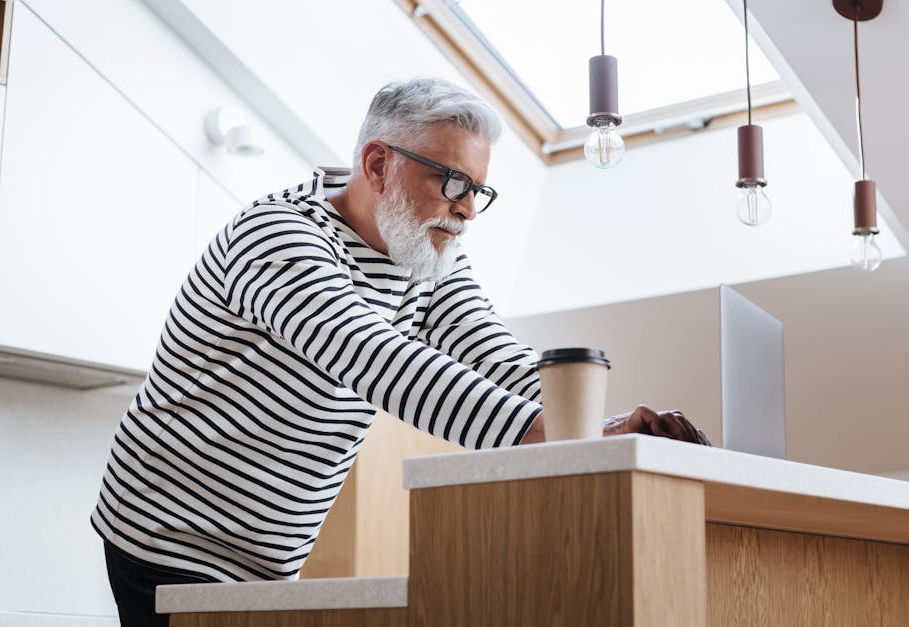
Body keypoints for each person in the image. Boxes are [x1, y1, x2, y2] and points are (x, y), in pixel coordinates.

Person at [91, 77, 709, 626]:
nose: (466, 209)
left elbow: (493, 356)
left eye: (477, 191)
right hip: (167, 539)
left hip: (270, 560)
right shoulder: (278, 238)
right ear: (379, 163)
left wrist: (607, 428)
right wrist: (567, 437)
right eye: (453, 182)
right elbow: (380, 361)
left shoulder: (426, 256)